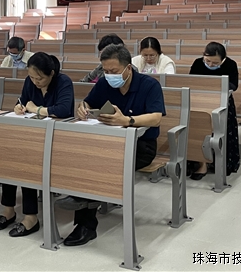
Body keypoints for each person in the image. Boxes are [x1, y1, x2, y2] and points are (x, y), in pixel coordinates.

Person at [58, 44, 165, 247]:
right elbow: (88, 102)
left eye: (114, 71)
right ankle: (85, 200)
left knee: (100, 163)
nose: (109, 75)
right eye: (106, 71)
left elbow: (156, 117)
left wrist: (127, 121)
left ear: (128, 68)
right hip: (107, 143)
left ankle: (84, 216)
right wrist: (82, 108)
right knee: (84, 156)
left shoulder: (149, 85)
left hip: (141, 146)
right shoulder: (104, 83)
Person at [0, 52, 74, 238]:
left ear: (51, 74)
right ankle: (8, 209)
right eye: (32, 77)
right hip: (32, 136)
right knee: (10, 156)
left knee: (27, 160)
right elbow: (22, 101)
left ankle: (31, 217)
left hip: (57, 138)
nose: (36, 82)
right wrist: (19, 107)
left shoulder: (63, 82)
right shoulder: (30, 82)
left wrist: (35, 109)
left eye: (40, 78)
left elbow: (63, 110)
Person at [187, 42, 240, 179]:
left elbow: (233, 85)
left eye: (215, 63)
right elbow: (191, 81)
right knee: (198, 127)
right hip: (199, 100)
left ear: (223, 59)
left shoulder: (230, 64)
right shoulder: (198, 63)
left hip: (222, 101)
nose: (210, 65)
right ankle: (201, 163)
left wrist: (211, 85)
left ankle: (220, 163)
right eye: (207, 61)